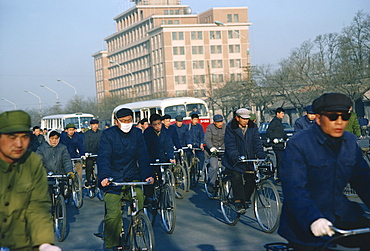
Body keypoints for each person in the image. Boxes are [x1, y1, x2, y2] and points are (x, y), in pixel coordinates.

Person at [279, 93, 370, 250]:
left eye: (345, 116)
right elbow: (294, 190)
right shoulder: (299, 144)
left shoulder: (349, 141)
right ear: (319, 118)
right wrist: (313, 219)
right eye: (333, 116)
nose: (340, 122)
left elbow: (364, 181)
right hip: (305, 219)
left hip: (341, 214)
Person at [0, 110, 61, 251]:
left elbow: (38, 207)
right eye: (12, 137)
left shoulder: (32, 162)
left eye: (25, 137)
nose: (19, 144)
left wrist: (44, 243)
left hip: (23, 243)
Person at [97, 108, 154, 251]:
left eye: (129, 120)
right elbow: (103, 158)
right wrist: (104, 177)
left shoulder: (137, 133)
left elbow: (143, 156)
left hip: (132, 175)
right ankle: (110, 244)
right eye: (123, 121)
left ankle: (138, 223)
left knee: (140, 196)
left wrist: (148, 174)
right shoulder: (108, 135)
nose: (127, 123)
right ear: (116, 122)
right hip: (112, 178)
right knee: (113, 214)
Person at [222, 108, 266, 214]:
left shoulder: (252, 127)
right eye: (243, 119)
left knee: (252, 178)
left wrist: (261, 155)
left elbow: (256, 142)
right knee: (237, 177)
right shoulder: (230, 127)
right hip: (234, 160)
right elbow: (230, 144)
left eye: (247, 118)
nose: (246, 121)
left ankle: (245, 199)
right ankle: (237, 201)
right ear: (237, 118)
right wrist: (235, 156)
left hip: (248, 158)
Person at [36, 130, 74, 200]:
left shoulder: (63, 148)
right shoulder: (41, 149)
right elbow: (39, 162)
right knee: (49, 193)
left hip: (60, 174)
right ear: (48, 138)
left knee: (64, 193)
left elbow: (66, 160)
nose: (54, 141)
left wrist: (69, 171)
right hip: (48, 175)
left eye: (56, 139)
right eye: (52, 139)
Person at [204, 114, 226, 193]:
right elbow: (207, 139)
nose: (220, 123)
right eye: (218, 122)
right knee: (214, 167)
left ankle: (225, 182)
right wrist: (211, 147)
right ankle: (211, 183)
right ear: (214, 122)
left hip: (224, 150)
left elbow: (229, 138)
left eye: (221, 121)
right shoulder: (210, 127)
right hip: (213, 151)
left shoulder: (226, 127)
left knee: (226, 167)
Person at [266, 107, 287, 180]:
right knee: (280, 159)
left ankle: (282, 174)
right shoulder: (274, 121)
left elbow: (282, 132)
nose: (283, 115)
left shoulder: (279, 121)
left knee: (282, 159)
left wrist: (286, 138)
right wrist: (273, 139)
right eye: (282, 113)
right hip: (277, 144)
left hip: (281, 143)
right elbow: (269, 131)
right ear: (277, 113)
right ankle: (279, 175)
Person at [83, 119, 103, 188]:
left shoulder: (101, 133)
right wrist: (87, 152)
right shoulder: (87, 134)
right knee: (89, 165)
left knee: (102, 165)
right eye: (93, 125)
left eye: (96, 124)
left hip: (99, 153)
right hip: (90, 154)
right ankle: (88, 180)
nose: (95, 126)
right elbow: (85, 144)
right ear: (90, 125)